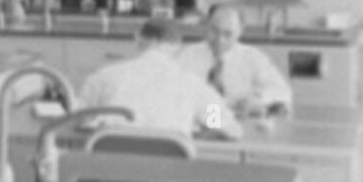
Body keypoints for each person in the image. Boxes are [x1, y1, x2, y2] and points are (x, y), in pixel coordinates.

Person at [80, 18, 242, 139]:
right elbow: (228, 129)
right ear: (178, 47)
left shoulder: (104, 76)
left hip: (108, 173)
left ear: (138, 39)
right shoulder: (192, 84)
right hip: (169, 173)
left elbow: (79, 119)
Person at [177, 4, 293, 115]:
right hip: (196, 121)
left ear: (240, 32)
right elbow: (168, 88)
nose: (219, 40)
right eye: (214, 31)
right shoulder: (187, 55)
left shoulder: (252, 57)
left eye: (227, 34)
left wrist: (258, 99)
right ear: (206, 25)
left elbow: (282, 91)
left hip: (239, 124)